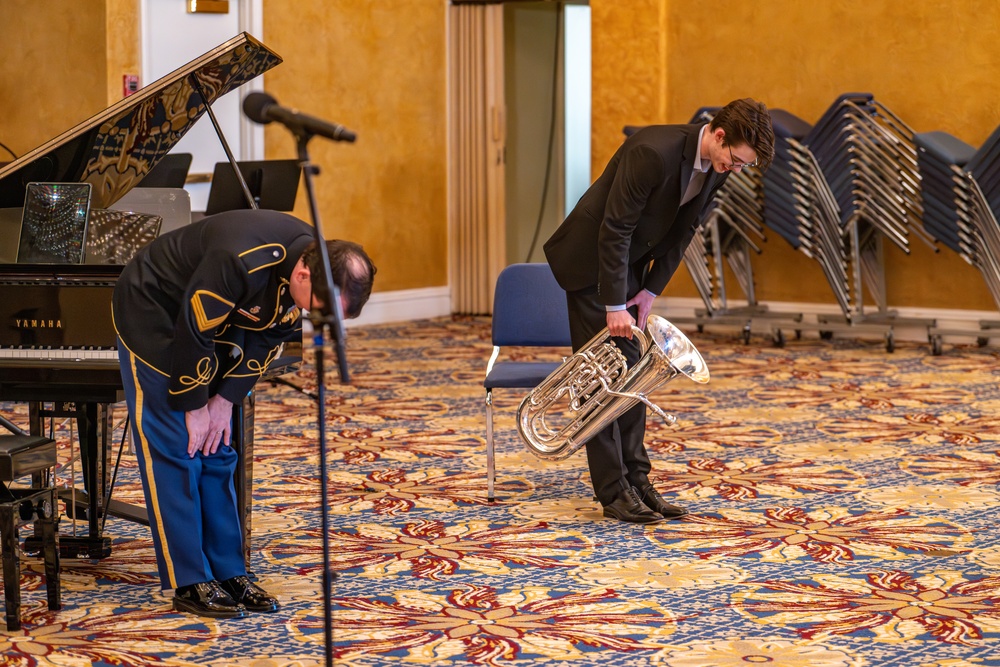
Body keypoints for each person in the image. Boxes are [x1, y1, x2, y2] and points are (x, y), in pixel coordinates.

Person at [112, 208, 376, 618]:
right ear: (304, 277)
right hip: (156, 313)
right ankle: (190, 580)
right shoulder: (240, 259)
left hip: (220, 320)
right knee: (176, 448)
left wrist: (223, 401)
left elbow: (270, 333)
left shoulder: (306, 262)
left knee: (219, 449)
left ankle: (229, 570)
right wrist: (195, 403)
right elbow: (192, 330)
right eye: (323, 310)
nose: (321, 320)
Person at [543, 98, 774, 524]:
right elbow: (615, 228)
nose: (736, 169)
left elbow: (686, 229)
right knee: (603, 380)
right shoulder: (653, 152)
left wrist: (649, 291)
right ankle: (613, 492)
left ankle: (638, 481)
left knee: (634, 376)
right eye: (736, 160)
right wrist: (615, 304)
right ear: (719, 136)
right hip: (591, 263)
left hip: (628, 265)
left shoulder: (716, 167)